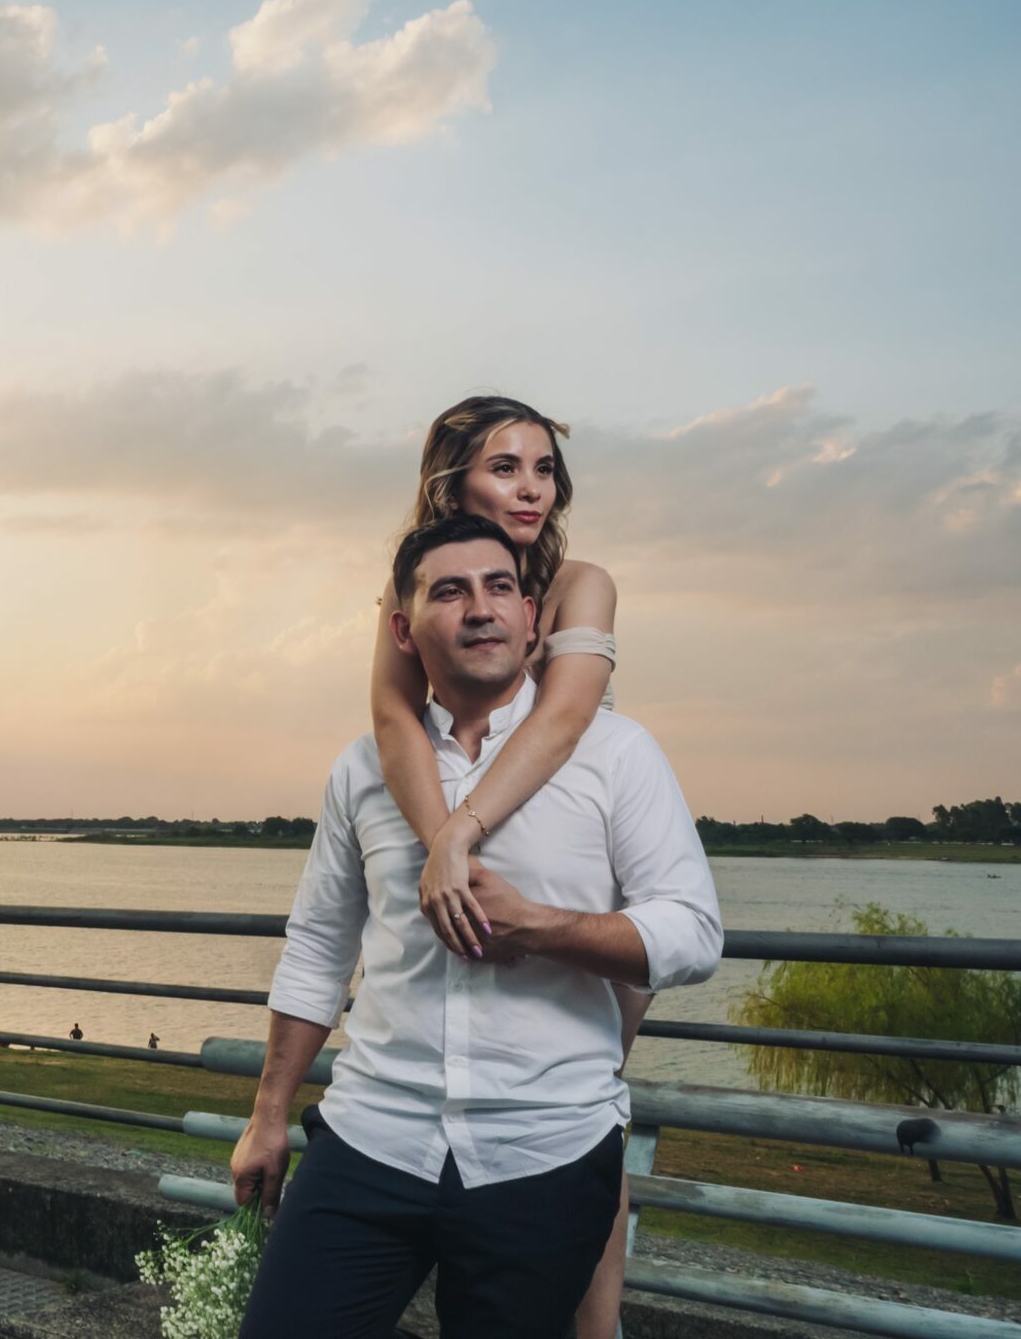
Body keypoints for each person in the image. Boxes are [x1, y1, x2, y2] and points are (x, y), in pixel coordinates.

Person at [235, 513, 722, 1338]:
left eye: (500, 588)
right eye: (450, 592)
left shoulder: (617, 752)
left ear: (532, 619)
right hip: (371, 1138)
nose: (481, 609)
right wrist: (269, 1113)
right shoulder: (363, 768)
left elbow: (694, 933)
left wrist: (537, 925)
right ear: (402, 629)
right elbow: (318, 945)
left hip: (545, 1151)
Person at [369, 395, 645, 1339]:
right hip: (475, 867)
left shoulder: (581, 583)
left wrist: (461, 835)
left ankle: (597, 1328)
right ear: (453, 481)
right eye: (505, 467)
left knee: (588, 1109)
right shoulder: (411, 592)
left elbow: (564, 717)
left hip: (576, 872)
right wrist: (443, 847)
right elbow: (394, 720)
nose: (532, 489)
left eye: (544, 469)